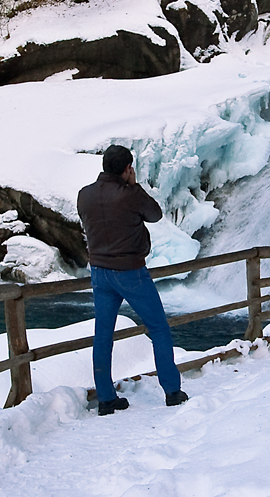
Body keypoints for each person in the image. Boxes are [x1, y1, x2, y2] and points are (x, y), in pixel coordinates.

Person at [76, 145, 188, 416]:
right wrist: (134, 186)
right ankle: (172, 391)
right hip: (130, 271)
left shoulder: (84, 195)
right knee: (158, 328)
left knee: (102, 336)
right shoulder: (130, 195)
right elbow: (155, 214)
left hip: (100, 273)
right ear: (127, 169)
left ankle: (106, 398)